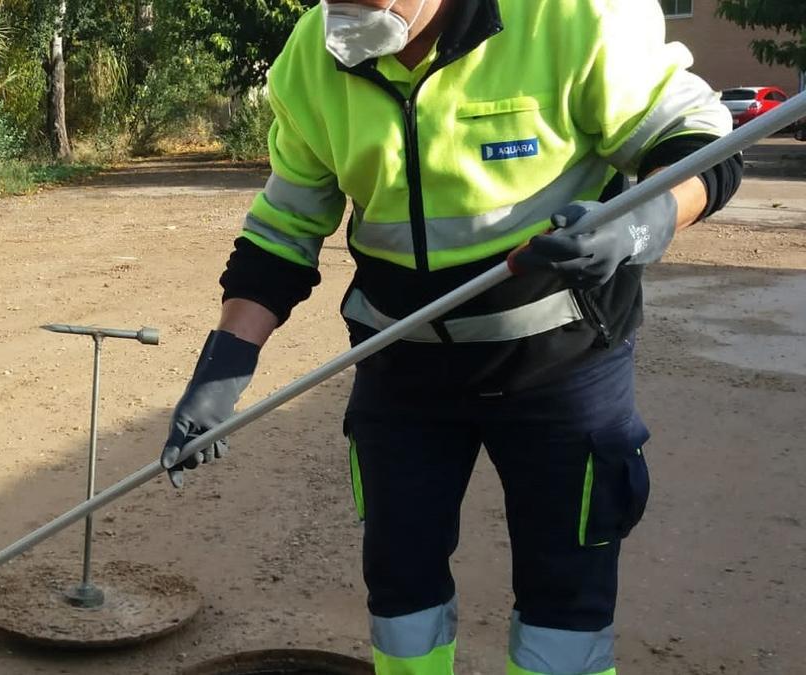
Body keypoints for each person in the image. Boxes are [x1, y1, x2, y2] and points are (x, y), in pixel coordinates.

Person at [159, 1, 744, 674]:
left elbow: (700, 143)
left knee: (566, 602)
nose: (350, 11)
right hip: (402, 369)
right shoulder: (309, 60)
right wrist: (222, 370)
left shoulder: (570, 17)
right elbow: (282, 234)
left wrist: (640, 223)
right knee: (401, 584)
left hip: (561, 365)